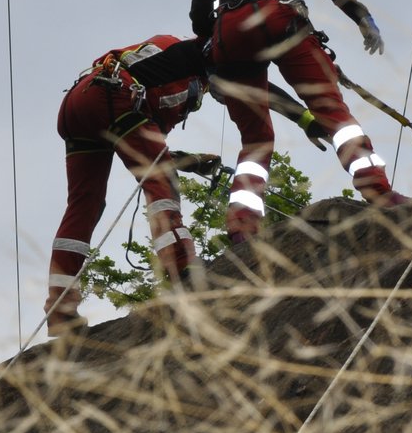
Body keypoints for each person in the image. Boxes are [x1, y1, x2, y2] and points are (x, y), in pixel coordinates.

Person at [45, 34, 322, 336]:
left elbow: (144, 151)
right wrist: (304, 117)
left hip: (80, 107)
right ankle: (181, 269)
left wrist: (191, 161)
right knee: (161, 184)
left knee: (85, 205)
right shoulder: (203, 51)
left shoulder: (165, 68)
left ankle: (60, 309)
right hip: (113, 97)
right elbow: (257, 90)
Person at [190, 0, 405, 243]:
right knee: (333, 113)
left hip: (228, 35)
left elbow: (198, 16)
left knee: (255, 140)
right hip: (277, 18)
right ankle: (380, 193)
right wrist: (360, 15)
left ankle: (242, 228)